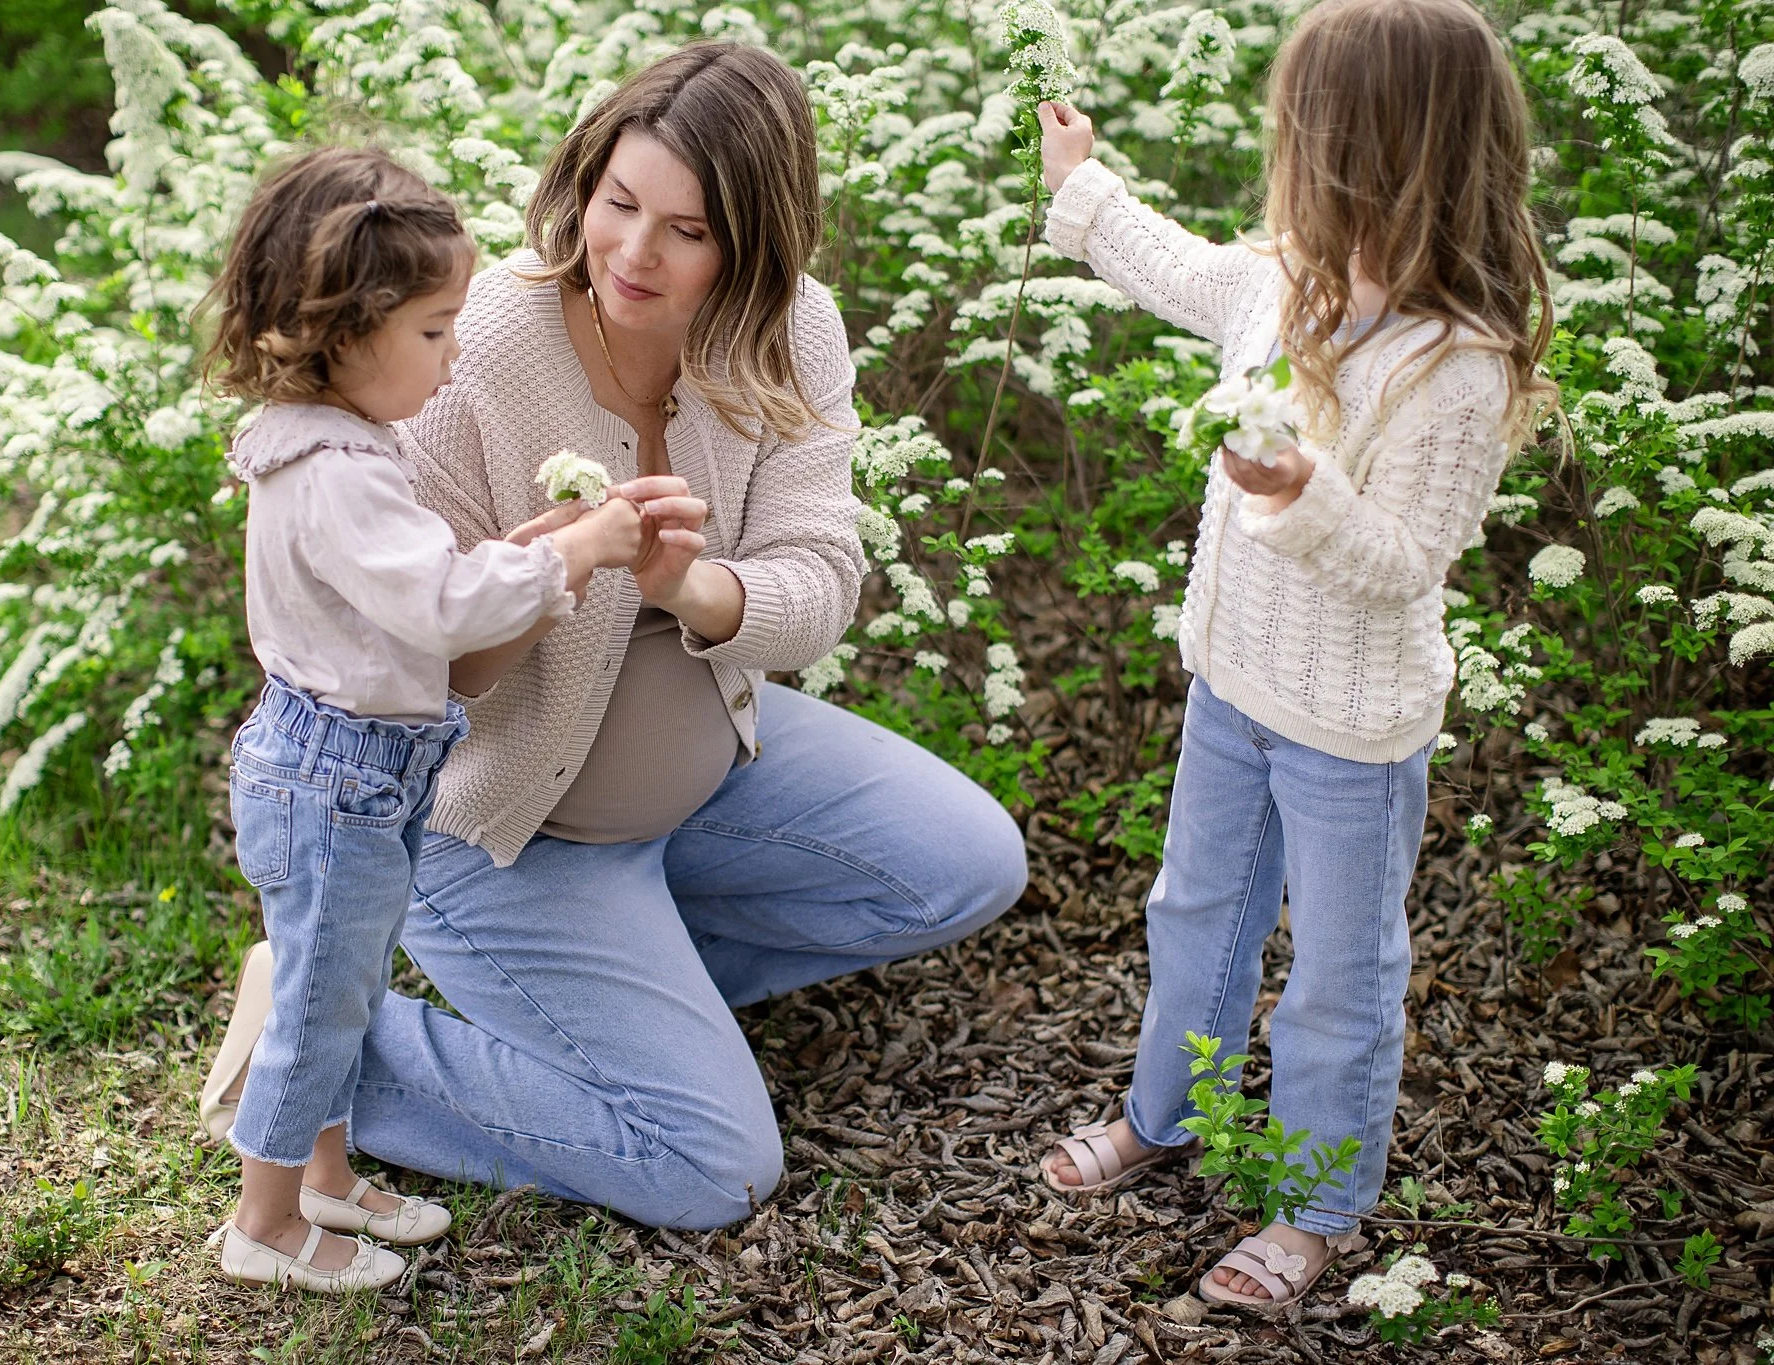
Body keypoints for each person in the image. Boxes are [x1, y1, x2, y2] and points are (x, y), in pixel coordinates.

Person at [201, 42, 1028, 1232]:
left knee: (965, 863)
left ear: (749, 245)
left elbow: (818, 583)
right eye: (619, 205)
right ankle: (326, 1041)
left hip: (706, 778)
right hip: (503, 826)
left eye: (686, 231)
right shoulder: (472, 346)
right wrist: (539, 574)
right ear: (583, 184)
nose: (634, 253)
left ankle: (632, 1001)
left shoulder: (790, 333)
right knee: (711, 1170)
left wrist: (695, 591)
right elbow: (418, 667)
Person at [1032, 0, 1556, 1310]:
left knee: (1336, 975)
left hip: (1352, 733)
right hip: (1232, 684)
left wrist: (1295, 485)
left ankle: (1317, 1206)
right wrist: (1081, 184)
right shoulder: (1281, 279)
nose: (1287, 160)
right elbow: (1171, 267)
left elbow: (1404, 565)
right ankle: (1170, 1111)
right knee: (1195, 915)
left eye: (1303, 137)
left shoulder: (1456, 364)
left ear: (1378, 157)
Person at [194, 145, 648, 1292]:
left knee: (345, 988)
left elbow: (420, 581)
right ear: (345, 333)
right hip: (336, 778)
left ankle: (325, 1180)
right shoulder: (334, 471)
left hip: (362, 771)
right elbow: (438, 603)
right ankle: (266, 1225)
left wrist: (529, 554)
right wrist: (575, 555)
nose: (452, 361)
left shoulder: (343, 444)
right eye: (435, 333)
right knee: (318, 1000)